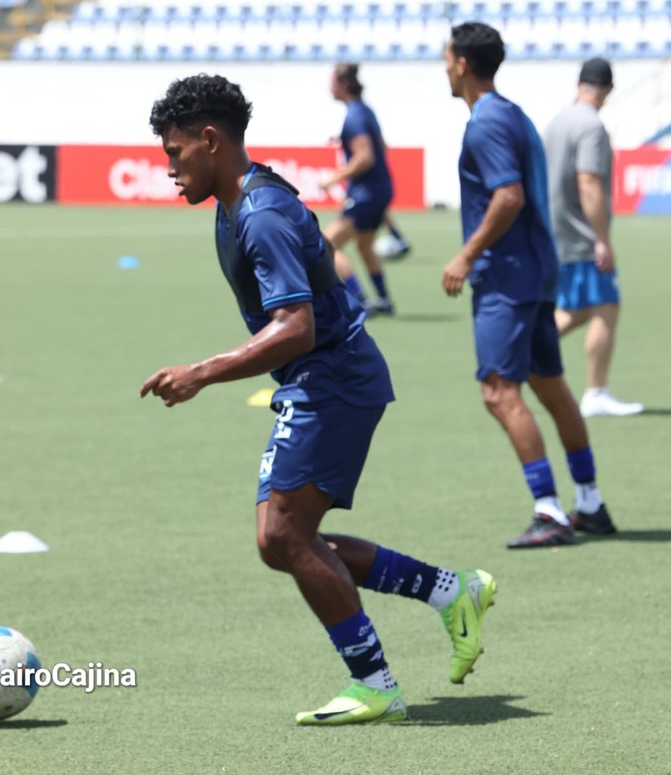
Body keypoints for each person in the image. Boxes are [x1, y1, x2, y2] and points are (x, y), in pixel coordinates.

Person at [142, 73, 496, 725]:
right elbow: (319, 270)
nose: (168, 167)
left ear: (210, 140)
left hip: (331, 379)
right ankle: (451, 590)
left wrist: (200, 372)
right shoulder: (246, 197)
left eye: (173, 151)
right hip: (326, 376)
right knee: (282, 539)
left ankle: (375, 684)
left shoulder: (261, 212)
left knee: (282, 532)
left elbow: (296, 325)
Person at [441, 23, 618, 547]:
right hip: (538, 271)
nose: (445, 67)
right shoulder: (513, 113)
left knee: (498, 391)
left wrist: (466, 255)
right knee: (550, 385)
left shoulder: (486, 123)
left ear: (463, 64)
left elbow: (509, 196)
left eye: (447, 58)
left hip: (508, 276)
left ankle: (550, 511)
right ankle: (590, 502)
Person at [543, 58, 644, 418]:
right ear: (609, 89)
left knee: (579, 307)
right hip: (581, 234)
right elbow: (588, 182)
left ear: (579, 83)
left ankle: (524, 352)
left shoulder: (558, 121)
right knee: (606, 306)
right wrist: (602, 238)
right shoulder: (591, 127)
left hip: (558, 231)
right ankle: (595, 391)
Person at [318, 63, 410, 317]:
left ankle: (359, 300)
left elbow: (365, 157)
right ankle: (383, 300)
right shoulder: (365, 111)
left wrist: (334, 179)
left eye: (333, 82)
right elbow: (382, 148)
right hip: (377, 190)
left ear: (344, 84)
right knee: (364, 245)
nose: (330, 87)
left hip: (368, 193)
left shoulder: (355, 116)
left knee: (325, 245)